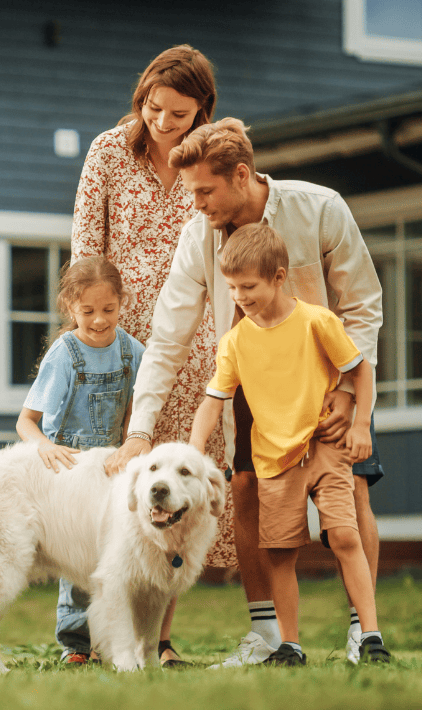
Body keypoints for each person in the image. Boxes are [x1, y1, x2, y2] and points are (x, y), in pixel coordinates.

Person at [112, 117, 384, 666]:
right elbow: (167, 338)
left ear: (241, 175)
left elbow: (362, 306)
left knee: (351, 497)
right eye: (190, 192)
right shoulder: (199, 237)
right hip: (251, 386)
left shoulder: (321, 208)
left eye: (204, 191)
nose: (196, 204)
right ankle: (268, 635)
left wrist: (349, 396)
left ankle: (364, 631)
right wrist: (141, 431)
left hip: (331, 381)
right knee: (244, 493)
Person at [70, 44, 237, 667]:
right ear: (140, 97)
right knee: (103, 477)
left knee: (174, 493)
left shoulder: (210, 161)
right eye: (153, 107)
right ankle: (81, 636)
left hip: (192, 344)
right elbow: (86, 246)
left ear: (203, 111)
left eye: (178, 113)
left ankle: (158, 640)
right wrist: (87, 339)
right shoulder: (108, 152)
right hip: (116, 339)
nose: (163, 123)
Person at [190, 223, 391, 665]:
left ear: (279, 277)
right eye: (232, 288)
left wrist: (360, 426)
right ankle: (290, 644)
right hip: (273, 460)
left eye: (249, 286)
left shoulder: (317, 321)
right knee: (280, 552)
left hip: (325, 447)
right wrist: (193, 448)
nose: (240, 296)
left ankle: (371, 635)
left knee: (342, 534)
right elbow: (212, 400)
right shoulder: (236, 342)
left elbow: (361, 371)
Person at [16, 256, 144, 665]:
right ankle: (76, 644)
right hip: (68, 469)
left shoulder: (132, 351)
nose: (100, 320)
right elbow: (26, 421)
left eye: (108, 309)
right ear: (70, 307)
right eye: (87, 311)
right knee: (77, 554)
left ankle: (114, 639)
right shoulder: (64, 353)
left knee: (112, 552)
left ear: (122, 303)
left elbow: (139, 409)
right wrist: (44, 447)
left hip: (112, 466)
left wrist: (130, 447)